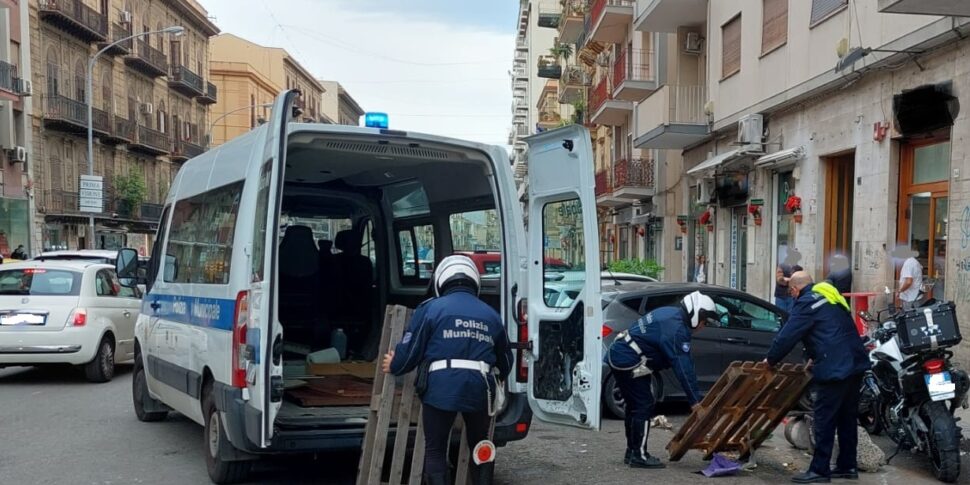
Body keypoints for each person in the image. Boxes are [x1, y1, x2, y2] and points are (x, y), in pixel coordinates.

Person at [382, 255, 513, 485]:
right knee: (481, 446)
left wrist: (394, 364)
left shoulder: (431, 309)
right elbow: (506, 362)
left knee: (435, 451)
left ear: (441, 281)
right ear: (474, 281)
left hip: (441, 389)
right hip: (480, 388)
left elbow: (410, 352)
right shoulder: (491, 315)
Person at [764, 271, 870, 484]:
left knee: (824, 418)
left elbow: (788, 336)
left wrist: (770, 360)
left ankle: (820, 470)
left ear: (794, 290)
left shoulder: (804, 303)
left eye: (791, 292)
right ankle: (847, 466)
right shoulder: (829, 295)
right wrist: (813, 356)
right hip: (855, 362)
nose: (792, 296)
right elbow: (829, 330)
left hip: (835, 368)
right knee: (847, 418)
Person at [605, 291, 717, 469]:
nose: (704, 325)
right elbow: (683, 367)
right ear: (696, 314)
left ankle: (632, 451)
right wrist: (695, 401)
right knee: (643, 405)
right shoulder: (677, 330)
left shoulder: (670, 314)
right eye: (705, 320)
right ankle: (639, 456)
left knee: (634, 406)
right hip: (628, 360)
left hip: (622, 355)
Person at [896, 246, 923, 310]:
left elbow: (908, 281)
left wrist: (899, 291)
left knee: (908, 317)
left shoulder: (909, 263)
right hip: (915, 296)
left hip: (910, 298)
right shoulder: (915, 262)